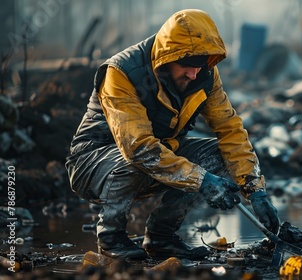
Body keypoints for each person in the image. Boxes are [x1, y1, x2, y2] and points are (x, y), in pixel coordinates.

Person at [65, 9, 279, 261]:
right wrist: (201, 180)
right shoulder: (121, 72)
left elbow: (230, 129)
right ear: (167, 59)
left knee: (219, 155)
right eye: (187, 66)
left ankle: (161, 238)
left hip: (159, 154)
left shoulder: (203, 72)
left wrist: (254, 190)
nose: (193, 74)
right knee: (134, 160)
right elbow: (138, 148)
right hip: (94, 163)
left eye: (200, 66)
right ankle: (111, 238)